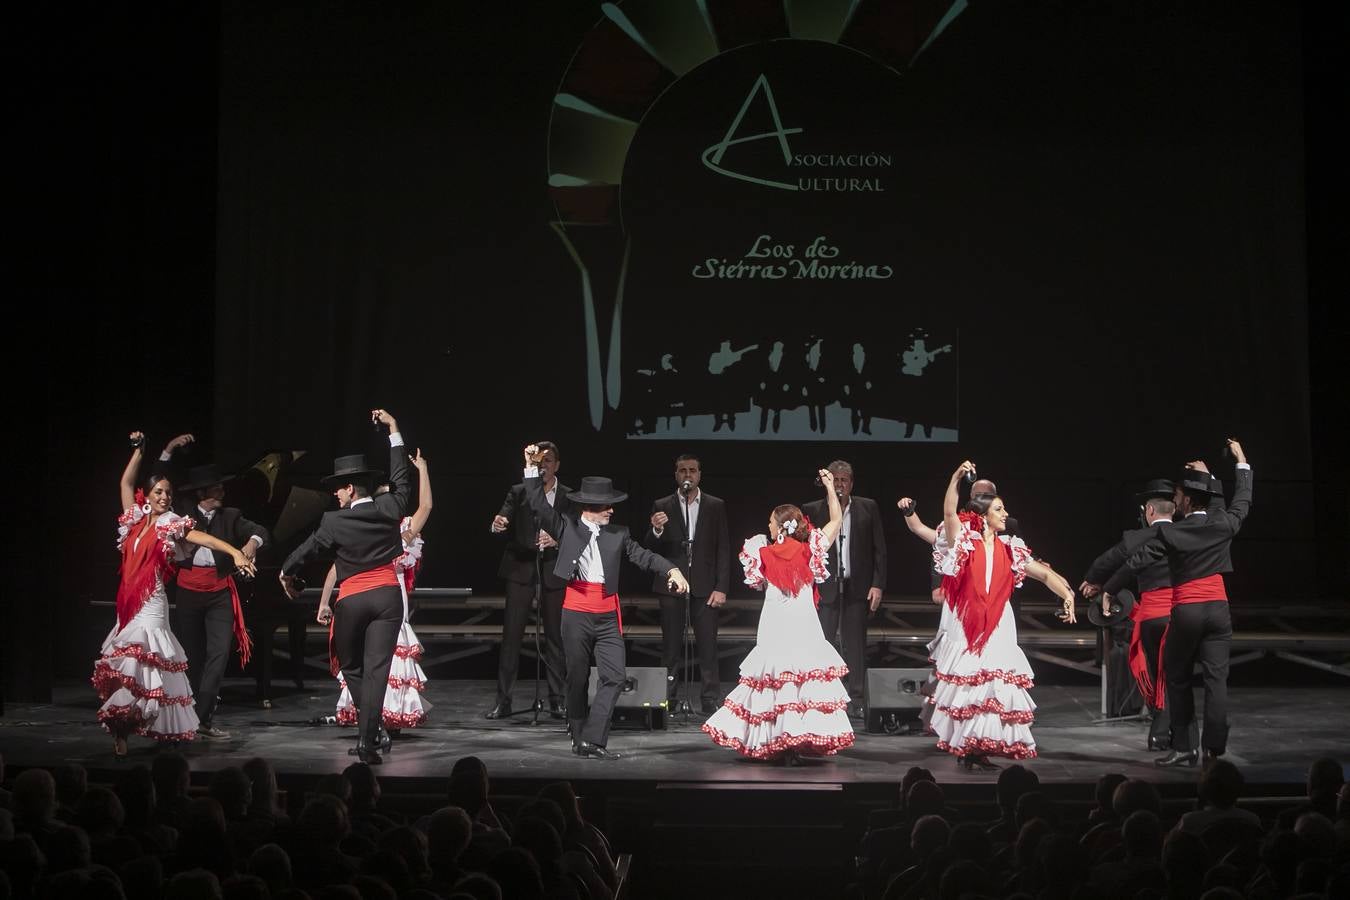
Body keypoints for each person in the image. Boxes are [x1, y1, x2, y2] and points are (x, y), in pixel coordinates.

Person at [519, 443, 690, 760]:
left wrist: (672, 568)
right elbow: (537, 505)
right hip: (576, 612)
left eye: (611, 504)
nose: (611, 509)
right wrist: (531, 469)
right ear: (588, 506)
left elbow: (643, 555)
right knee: (577, 678)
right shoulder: (566, 526)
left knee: (614, 677)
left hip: (607, 614)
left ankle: (592, 739)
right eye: (605, 505)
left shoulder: (618, 533)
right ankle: (578, 728)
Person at [94, 432, 257, 756]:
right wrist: (139, 452)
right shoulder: (135, 520)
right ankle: (122, 728)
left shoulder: (171, 523)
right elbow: (126, 484)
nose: (165, 497)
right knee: (127, 665)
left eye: (168, 493)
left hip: (152, 601)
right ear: (149, 495)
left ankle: (164, 726)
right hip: (128, 602)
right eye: (159, 492)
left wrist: (236, 552)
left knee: (151, 661)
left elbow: (204, 539)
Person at [1101, 439, 1252, 767]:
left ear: (1184, 500)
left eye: (1179, 495)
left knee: (1176, 676)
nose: (1176, 499)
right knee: (1216, 680)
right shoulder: (1223, 523)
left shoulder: (1173, 534)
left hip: (1188, 612)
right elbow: (1241, 500)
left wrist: (1110, 590)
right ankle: (1214, 748)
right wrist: (1237, 464)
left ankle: (1185, 746)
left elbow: (1137, 561)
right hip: (1219, 610)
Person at [279, 408, 413, 764]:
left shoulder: (333, 521)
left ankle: (371, 733)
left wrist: (286, 571)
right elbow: (403, 479)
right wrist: (394, 432)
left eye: (338, 488)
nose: (336, 494)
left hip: (354, 600)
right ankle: (371, 737)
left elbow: (307, 550)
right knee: (376, 672)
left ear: (350, 487)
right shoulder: (390, 506)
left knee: (351, 669)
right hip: (387, 597)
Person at [929, 460, 1077, 769]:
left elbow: (1045, 575)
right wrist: (956, 477)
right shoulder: (964, 544)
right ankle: (969, 747)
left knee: (996, 686)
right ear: (983, 517)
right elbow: (948, 513)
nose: (1005, 514)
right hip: (968, 624)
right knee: (972, 686)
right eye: (999, 509)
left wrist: (1067, 595)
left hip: (998, 624)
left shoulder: (1011, 548)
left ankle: (981, 747)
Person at [702, 469, 855, 763]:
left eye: (771, 522)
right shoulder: (810, 549)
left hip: (775, 625)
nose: (769, 527)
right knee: (799, 682)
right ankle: (794, 739)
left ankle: (777, 739)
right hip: (803, 626)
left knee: (773, 681)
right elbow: (836, 520)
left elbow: (757, 582)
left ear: (782, 526)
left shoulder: (759, 551)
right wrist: (829, 490)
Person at [320, 449, 433, 733]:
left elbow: (426, 506)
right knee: (366, 659)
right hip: (374, 593)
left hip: (391, 596)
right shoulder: (364, 528)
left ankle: (387, 717)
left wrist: (423, 469)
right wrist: (323, 601)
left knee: (385, 657)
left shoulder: (402, 531)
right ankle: (371, 721)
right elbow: (336, 568)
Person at [1080, 479, 1196, 751]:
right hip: (1184, 613)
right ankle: (1178, 736)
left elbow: (1107, 561)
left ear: (1150, 512)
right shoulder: (1187, 534)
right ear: (1174, 511)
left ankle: (1159, 730)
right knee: (1178, 676)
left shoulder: (1135, 538)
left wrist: (1093, 582)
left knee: (1154, 672)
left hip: (1153, 614)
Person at [168, 460, 270, 740]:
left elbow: (261, 532)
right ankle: (185, 715)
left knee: (219, 653)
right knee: (191, 655)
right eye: (216, 487)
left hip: (219, 594)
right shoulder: (182, 515)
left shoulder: (231, 515)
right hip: (188, 592)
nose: (222, 490)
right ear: (201, 493)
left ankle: (203, 718)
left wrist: (250, 545)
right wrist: (169, 452)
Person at [486, 440, 570, 720]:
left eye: (549, 461)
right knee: (511, 637)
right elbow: (502, 517)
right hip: (521, 568)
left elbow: (575, 533)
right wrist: (497, 523)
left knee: (555, 637)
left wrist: (557, 539)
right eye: (540, 461)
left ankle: (557, 699)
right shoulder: (519, 490)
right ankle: (504, 700)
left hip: (553, 570)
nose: (543, 465)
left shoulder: (568, 496)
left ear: (556, 465)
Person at [643, 453, 731, 713]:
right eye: (683, 471)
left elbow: (723, 547)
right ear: (676, 475)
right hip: (671, 586)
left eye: (692, 471)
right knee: (670, 647)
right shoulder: (662, 504)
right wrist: (656, 530)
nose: (688, 475)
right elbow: (649, 547)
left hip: (705, 587)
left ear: (699, 475)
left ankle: (709, 698)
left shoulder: (715, 505)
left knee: (707, 646)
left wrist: (722, 586)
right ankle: (667, 699)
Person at [803, 459, 887, 717]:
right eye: (835, 480)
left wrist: (877, 584)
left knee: (856, 644)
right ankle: (824, 696)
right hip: (825, 586)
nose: (839, 485)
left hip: (857, 586)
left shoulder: (867, 507)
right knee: (823, 642)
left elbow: (879, 549)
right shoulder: (813, 509)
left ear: (851, 483)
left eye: (843, 480)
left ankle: (857, 698)